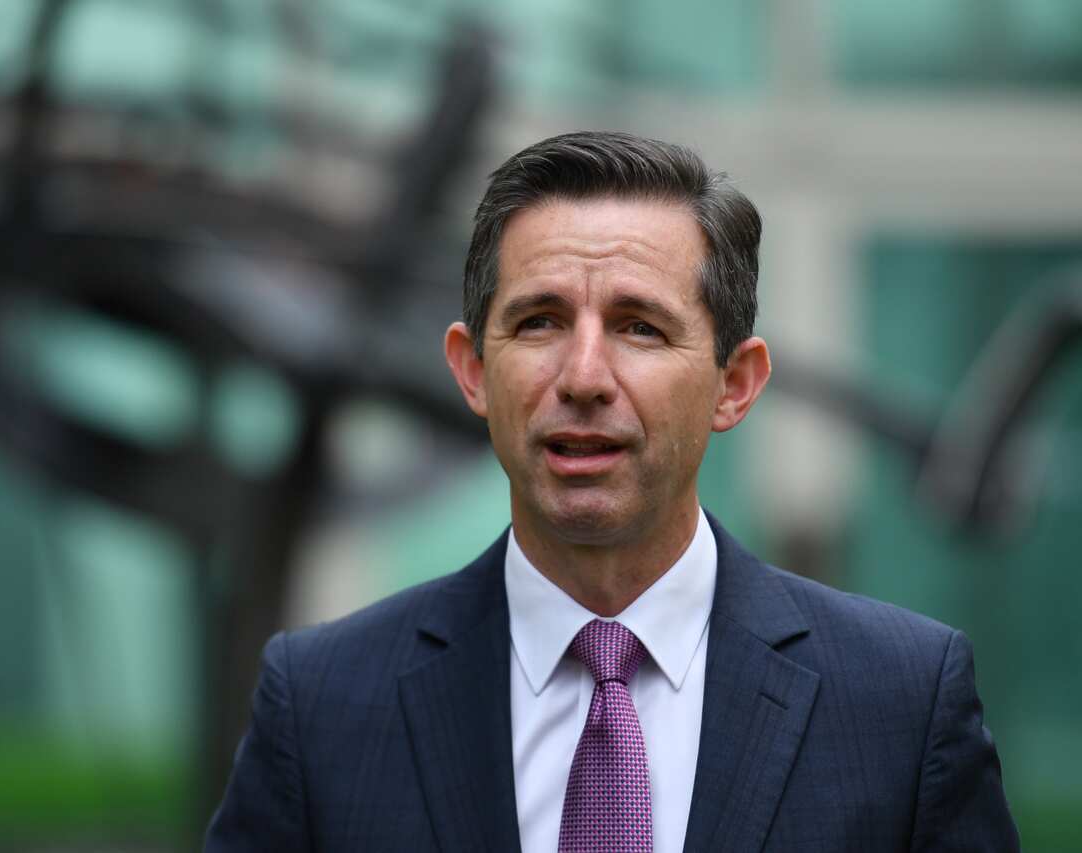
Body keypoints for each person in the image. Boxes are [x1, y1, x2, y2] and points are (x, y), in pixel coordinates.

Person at [205, 131, 1019, 852]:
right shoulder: (321, 706)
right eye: (539, 322)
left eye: (639, 326)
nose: (584, 377)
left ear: (735, 383)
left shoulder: (900, 705)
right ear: (472, 371)